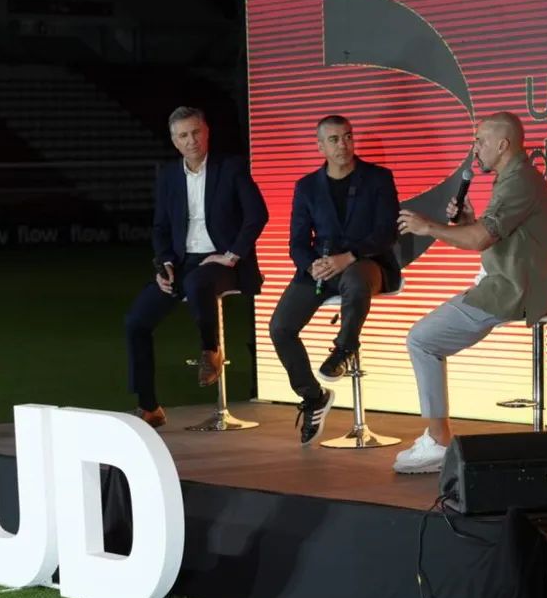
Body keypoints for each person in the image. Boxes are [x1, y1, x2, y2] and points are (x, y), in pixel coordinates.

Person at [393, 111, 547, 473]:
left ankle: (438, 442)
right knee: (424, 338)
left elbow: (482, 239)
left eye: (480, 141)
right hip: (506, 282)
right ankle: (437, 438)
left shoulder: (519, 182)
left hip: (514, 291)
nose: (475, 149)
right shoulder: (513, 178)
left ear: (503, 144)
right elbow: (485, 238)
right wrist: (469, 220)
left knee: (422, 339)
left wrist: (429, 227)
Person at [125, 106, 268, 428]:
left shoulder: (230, 168)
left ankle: (210, 351)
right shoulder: (168, 176)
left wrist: (232, 254)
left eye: (196, 132)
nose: (191, 140)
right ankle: (149, 406)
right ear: (174, 141)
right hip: (182, 263)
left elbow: (257, 215)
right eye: (183, 135)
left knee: (198, 283)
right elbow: (160, 227)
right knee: (136, 322)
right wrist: (163, 265)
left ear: (207, 133)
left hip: (224, 261)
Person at [269, 115, 401, 446]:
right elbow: (297, 241)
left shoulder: (378, 179)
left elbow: (387, 232)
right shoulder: (307, 186)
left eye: (347, 137)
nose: (342, 145)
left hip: (366, 262)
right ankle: (313, 396)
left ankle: (343, 350)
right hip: (321, 268)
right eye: (334, 139)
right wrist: (311, 264)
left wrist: (350, 255)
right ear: (320, 146)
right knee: (280, 328)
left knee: (356, 282)